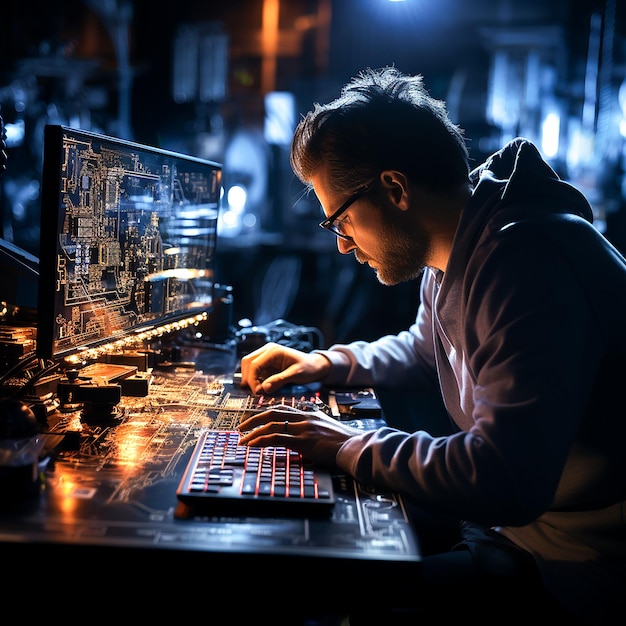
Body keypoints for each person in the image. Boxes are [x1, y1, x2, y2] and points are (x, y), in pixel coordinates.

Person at [237, 66, 626, 625]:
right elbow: (424, 349)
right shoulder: (456, 251)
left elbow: (503, 477)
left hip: (578, 567)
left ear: (395, 188)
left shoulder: (528, 263)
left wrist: (347, 443)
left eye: (341, 221)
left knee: (324, 597)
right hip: (523, 529)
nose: (343, 246)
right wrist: (323, 363)